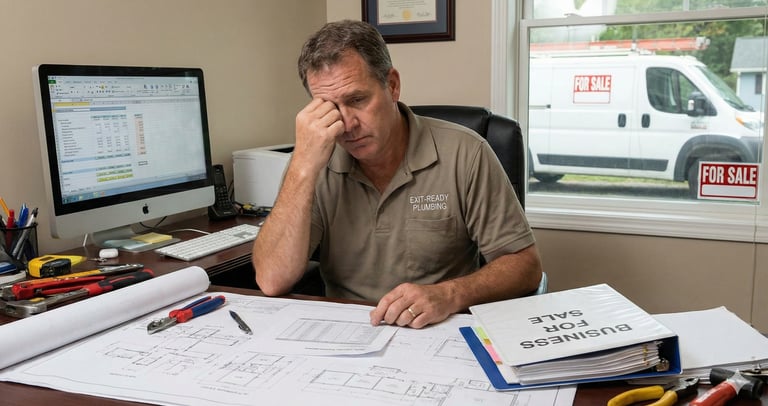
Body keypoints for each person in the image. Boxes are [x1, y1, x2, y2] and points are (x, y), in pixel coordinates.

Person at [252, 19, 542, 329]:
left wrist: (449, 294)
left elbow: (525, 267)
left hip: (437, 330)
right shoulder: (311, 163)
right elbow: (271, 280)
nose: (346, 125)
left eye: (357, 100)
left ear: (392, 86)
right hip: (348, 331)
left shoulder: (466, 152)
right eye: (329, 107)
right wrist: (301, 168)